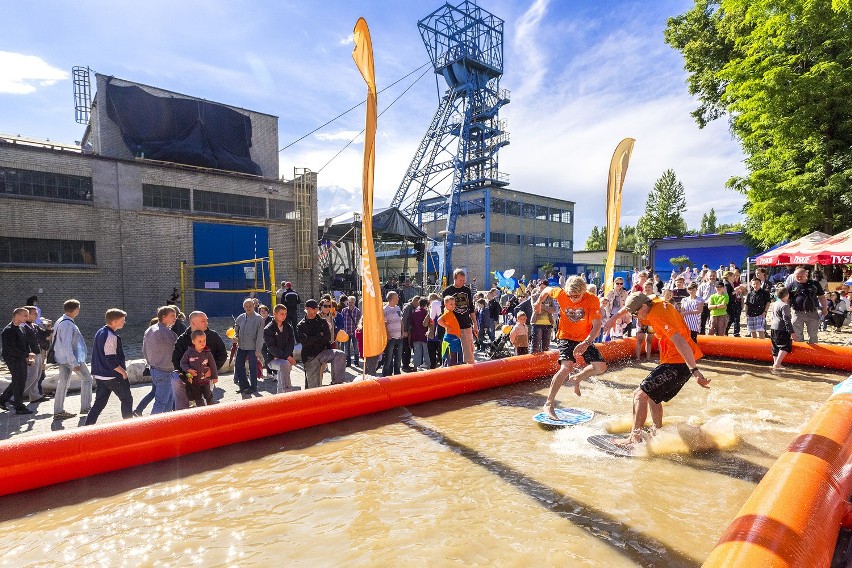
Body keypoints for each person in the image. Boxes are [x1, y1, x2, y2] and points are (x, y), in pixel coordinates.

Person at [605, 292, 710, 446]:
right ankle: (658, 433)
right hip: (674, 360)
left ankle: (634, 438)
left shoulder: (658, 316)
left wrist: (694, 370)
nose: (635, 317)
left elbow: (679, 341)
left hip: (678, 363)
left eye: (636, 313)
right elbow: (631, 307)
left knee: (639, 395)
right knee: (654, 397)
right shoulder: (652, 301)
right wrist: (613, 319)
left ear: (644, 307)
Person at [536, 276, 608, 419]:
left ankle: (577, 378)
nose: (574, 299)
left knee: (601, 367)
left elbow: (597, 325)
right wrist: (539, 302)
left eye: (577, 296)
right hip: (565, 335)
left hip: (584, 338)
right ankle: (549, 403)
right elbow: (547, 290)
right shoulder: (561, 293)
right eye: (571, 296)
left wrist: (586, 342)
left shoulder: (592, 299)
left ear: (584, 292)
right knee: (566, 367)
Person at [85, 309, 133, 425]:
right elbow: (110, 359)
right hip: (112, 376)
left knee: (99, 403)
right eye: (122, 320)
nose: (124, 322)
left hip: (101, 375)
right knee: (127, 399)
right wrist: (123, 373)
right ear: (114, 321)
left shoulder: (100, 331)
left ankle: (87, 427)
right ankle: (130, 428)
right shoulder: (110, 336)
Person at [172, 311, 228, 410]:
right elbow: (176, 360)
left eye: (206, 320)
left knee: (205, 403)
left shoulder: (213, 336)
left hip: (206, 377)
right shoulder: (182, 339)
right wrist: (187, 374)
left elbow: (222, 354)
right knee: (176, 381)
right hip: (187, 377)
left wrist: (212, 369)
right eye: (203, 321)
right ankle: (182, 419)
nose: (207, 323)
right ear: (193, 323)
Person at [52, 299, 94, 420]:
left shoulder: (61, 320)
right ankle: (86, 407)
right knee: (87, 379)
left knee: (63, 383)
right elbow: (67, 345)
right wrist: (73, 362)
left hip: (62, 358)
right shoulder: (67, 324)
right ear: (76, 309)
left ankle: (58, 411)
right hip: (72, 358)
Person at [297, 299, 345, 388]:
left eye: (316, 308)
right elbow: (305, 342)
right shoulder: (301, 325)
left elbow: (327, 338)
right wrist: (319, 335)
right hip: (310, 357)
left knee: (340, 355)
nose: (315, 310)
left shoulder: (322, 322)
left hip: (323, 352)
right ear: (306, 309)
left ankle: (336, 385)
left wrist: (313, 338)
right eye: (313, 308)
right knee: (313, 388)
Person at [141, 305, 178, 414]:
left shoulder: (149, 330)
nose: (175, 318)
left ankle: (165, 426)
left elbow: (144, 350)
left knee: (169, 400)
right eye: (172, 316)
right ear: (164, 317)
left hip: (155, 369)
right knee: (161, 402)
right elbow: (179, 347)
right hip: (164, 371)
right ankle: (153, 426)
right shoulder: (166, 332)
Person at [0, 307, 35, 414]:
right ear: (17, 315)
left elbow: (25, 344)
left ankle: (2, 399)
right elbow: (11, 349)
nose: (27, 317)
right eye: (25, 315)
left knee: (17, 381)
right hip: (13, 359)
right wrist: (26, 355)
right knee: (19, 382)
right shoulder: (8, 330)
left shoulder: (21, 328)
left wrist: (29, 356)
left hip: (21, 358)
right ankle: (19, 407)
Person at [441, 269, 478, 365]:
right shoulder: (448, 291)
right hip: (453, 327)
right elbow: (443, 311)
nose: (462, 282)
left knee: (469, 352)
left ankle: (470, 372)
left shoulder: (467, 290)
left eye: (463, 280)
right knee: (453, 354)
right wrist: (446, 326)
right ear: (454, 279)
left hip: (466, 325)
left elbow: (471, 308)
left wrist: (475, 323)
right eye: (460, 280)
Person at [786, 267, 828, 343]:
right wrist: (787, 310)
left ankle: (813, 352)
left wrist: (825, 308)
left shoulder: (814, 284)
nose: (799, 278)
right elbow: (788, 300)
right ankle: (800, 353)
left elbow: (821, 296)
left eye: (801, 276)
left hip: (812, 312)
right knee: (797, 335)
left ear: (806, 274)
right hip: (797, 312)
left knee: (813, 335)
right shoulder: (791, 285)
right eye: (797, 276)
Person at [232, 298, 265, 395]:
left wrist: (258, 350)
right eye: (246, 306)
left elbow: (260, 335)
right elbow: (236, 331)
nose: (248, 308)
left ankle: (253, 387)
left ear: (254, 306)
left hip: (253, 347)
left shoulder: (259, 319)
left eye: (250, 306)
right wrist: (235, 337)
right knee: (238, 366)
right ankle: (244, 386)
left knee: (253, 367)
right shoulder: (240, 318)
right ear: (243, 307)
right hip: (241, 346)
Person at [264, 304, 297, 393]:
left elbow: (291, 343)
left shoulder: (288, 327)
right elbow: (272, 348)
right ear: (275, 314)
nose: (284, 316)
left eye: (285, 314)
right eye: (281, 314)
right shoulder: (268, 329)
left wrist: (286, 356)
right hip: (272, 360)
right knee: (284, 364)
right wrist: (287, 357)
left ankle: (280, 396)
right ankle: (287, 391)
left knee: (282, 375)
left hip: (285, 358)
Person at [180, 330, 218, 406]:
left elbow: (213, 365)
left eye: (204, 340)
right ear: (193, 342)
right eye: (199, 341)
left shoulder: (207, 353)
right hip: (194, 381)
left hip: (205, 380)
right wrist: (188, 370)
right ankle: (202, 412)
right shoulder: (189, 352)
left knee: (208, 395)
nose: (203, 343)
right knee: (198, 397)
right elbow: (182, 363)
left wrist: (214, 377)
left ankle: (213, 411)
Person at [770, 287, 798, 371]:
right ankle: (777, 364)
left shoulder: (775, 303)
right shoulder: (785, 305)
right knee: (785, 346)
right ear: (787, 295)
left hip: (773, 327)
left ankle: (775, 363)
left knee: (775, 347)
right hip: (781, 328)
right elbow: (787, 319)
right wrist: (792, 332)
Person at [530, 280, 557, 353]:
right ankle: (533, 363)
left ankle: (544, 363)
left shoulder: (550, 297)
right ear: (538, 287)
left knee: (546, 346)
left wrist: (542, 306)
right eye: (541, 287)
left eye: (544, 288)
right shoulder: (534, 296)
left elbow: (554, 310)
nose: (542, 290)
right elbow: (536, 310)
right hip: (537, 323)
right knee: (535, 346)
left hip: (548, 323)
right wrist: (547, 309)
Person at [382, 291, 404, 376]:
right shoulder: (385, 310)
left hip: (399, 337)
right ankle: (386, 376)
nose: (398, 298)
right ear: (392, 298)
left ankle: (397, 375)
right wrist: (388, 335)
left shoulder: (398, 308)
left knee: (398, 359)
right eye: (397, 297)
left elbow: (401, 320)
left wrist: (402, 332)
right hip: (391, 338)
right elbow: (384, 323)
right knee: (388, 359)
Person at [438, 296, 462, 366]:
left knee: (451, 357)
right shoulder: (448, 313)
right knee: (452, 357)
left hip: (453, 337)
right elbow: (439, 320)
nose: (453, 306)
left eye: (454, 304)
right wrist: (446, 326)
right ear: (446, 305)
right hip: (451, 337)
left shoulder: (450, 312)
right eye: (451, 304)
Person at [339, 296, 361, 367]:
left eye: (352, 302)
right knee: (346, 349)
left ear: (354, 302)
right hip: (346, 332)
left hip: (354, 332)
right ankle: (348, 362)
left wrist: (358, 329)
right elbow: (342, 321)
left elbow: (359, 322)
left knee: (356, 348)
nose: (350, 304)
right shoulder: (344, 310)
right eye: (349, 302)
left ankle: (356, 362)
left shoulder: (357, 311)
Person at [400, 295, 420, 372]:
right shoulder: (408, 307)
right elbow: (404, 319)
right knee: (406, 349)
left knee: (408, 348)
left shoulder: (412, 307)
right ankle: (405, 365)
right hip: (406, 332)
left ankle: (407, 364)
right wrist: (404, 330)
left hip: (410, 331)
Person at [409, 298, 430, 370]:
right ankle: (427, 365)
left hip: (416, 334)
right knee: (426, 352)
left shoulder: (414, 313)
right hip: (424, 335)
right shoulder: (426, 313)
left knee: (417, 352)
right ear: (426, 305)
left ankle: (416, 366)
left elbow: (411, 324)